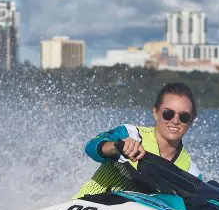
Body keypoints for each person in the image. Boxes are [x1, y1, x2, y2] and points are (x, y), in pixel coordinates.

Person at [72, 82, 202, 199]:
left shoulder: (191, 171)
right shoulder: (131, 134)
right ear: (155, 112)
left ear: (191, 120)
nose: (175, 121)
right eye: (168, 113)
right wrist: (117, 147)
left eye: (184, 117)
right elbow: (91, 147)